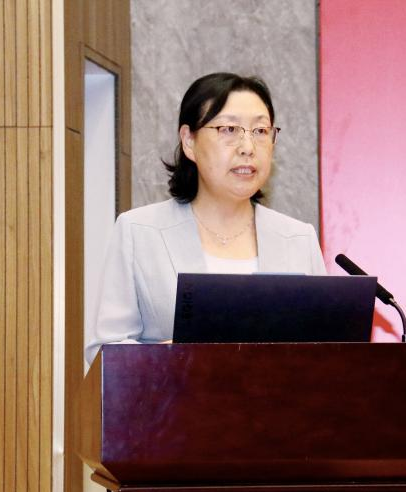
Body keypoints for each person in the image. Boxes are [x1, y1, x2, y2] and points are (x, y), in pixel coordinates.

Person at [85, 72, 326, 362]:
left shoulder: (298, 239)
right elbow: (104, 353)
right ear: (189, 141)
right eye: (229, 129)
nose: (248, 147)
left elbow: (327, 350)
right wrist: (175, 355)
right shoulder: (139, 232)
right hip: (173, 392)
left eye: (261, 131)